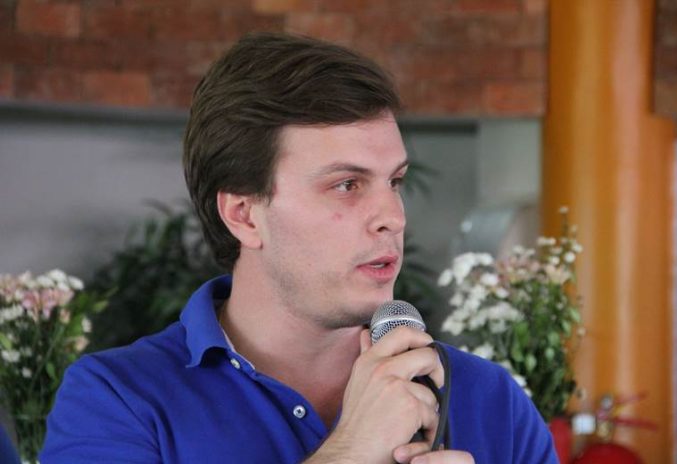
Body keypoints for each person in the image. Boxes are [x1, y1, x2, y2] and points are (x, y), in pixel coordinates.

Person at [41, 33, 558, 464]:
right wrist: (350, 451)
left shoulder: (492, 399)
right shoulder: (116, 400)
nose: (394, 217)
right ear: (244, 215)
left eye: (395, 181)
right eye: (347, 185)